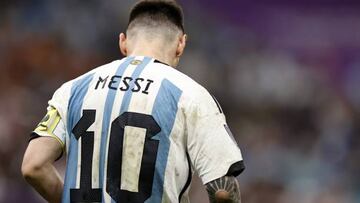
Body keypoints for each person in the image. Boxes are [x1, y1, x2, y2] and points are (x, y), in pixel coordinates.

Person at [21, 1, 245, 202]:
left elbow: (33, 166)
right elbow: (222, 191)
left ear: (123, 42)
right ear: (181, 44)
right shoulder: (192, 95)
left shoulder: (73, 88)